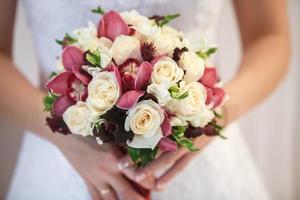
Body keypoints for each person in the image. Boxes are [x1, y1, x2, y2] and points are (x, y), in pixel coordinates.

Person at [0, 0, 290, 199]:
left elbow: (270, 36)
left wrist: (217, 115)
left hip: (200, 150)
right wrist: (65, 137)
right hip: (59, 155)